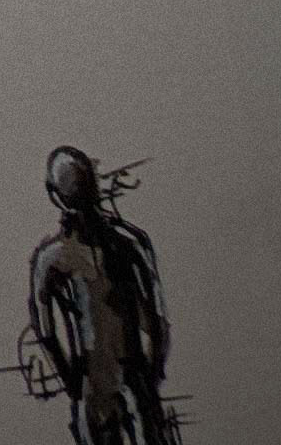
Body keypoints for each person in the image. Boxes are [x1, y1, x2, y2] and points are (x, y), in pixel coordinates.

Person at [22, 145, 180, 445]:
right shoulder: (131, 243)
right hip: (134, 380)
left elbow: (46, 333)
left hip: (93, 388)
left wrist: (73, 383)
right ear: (95, 185)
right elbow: (158, 322)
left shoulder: (51, 259)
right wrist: (152, 375)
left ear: (54, 195)